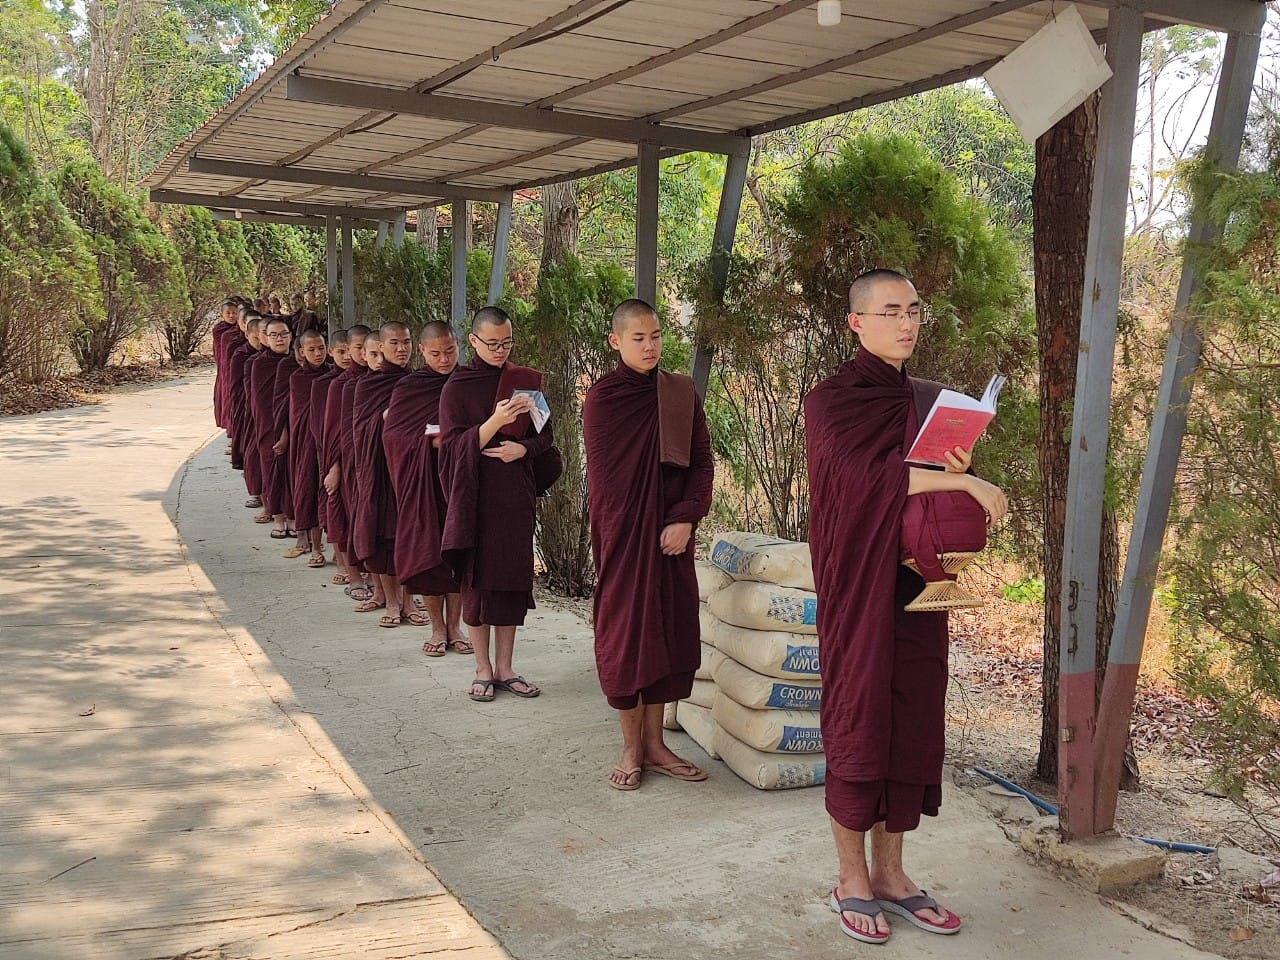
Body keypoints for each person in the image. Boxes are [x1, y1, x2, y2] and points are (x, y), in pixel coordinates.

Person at [803, 269, 1008, 944]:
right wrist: (967, 483)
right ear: (857, 322)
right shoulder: (829, 400)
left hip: (918, 582)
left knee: (912, 717)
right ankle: (850, 876)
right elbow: (860, 478)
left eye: (914, 310)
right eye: (891, 311)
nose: (907, 322)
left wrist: (957, 464)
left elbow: (923, 479)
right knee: (860, 716)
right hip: (858, 584)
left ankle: (892, 874)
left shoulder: (925, 397)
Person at [584, 299, 714, 790]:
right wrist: (639, 530)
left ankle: (657, 744)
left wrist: (684, 519)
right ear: (616, 342)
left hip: (673, 539)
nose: (650, 346)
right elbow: (609, 485)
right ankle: (630, 746)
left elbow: (702, 464)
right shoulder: (604, 399)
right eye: (638, 338)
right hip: (624, 540)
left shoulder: (680, 393)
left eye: (656, 336)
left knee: (669, 636)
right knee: (626, 637)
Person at [439, 306, 555, 702]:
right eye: (492, 343)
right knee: (477, 583)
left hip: (514, 497)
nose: (500, 350)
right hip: (475, 498)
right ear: (473, 341)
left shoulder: (524, 382)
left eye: (507, 342)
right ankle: (482, 668)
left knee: (509, 583)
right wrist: (494, 421)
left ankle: (506, 668)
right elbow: (451, 447)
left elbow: (546, 438)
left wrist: (521, 449)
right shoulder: (458, 386)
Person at [383, 321, 469, 655]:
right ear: (422, 352)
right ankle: (437, 628)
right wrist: (428, 444)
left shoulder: (467, 382)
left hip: (461, 482)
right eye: (435, 353)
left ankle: (456, 627)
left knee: (459, 554)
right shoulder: (411, 386)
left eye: (450, 351)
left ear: (460, 345)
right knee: (430, 556)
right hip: (425, 483)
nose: (444, 359)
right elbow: (393, 436)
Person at [351, 322, 413, 627]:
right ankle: (391, 602)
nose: (401, 349)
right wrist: (386, 416)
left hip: (410, 472)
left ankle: (410, 601)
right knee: (386, 538)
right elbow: (361, 429)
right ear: (381, 347)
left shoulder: (417, 381)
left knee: (411, 538)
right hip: (381, 472)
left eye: (406, 342)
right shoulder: (368, 385)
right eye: (394, 343)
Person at [323, 324, 373, 600]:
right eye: (358, 349)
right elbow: (331, 431)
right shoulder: (340, 385)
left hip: (373, 463)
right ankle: (354, 575)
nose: (365, 355)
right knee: (348, 516)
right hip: (347, 463)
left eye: (370, 349)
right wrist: (335, 467)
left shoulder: (381, 380)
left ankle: (375, 579)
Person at [288, 329, 330, 567]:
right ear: (301, 352)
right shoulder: (298, 378)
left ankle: (337, 546)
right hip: (306, 445)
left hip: (328, 444)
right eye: (311, 349)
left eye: (321, 348)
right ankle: (315, 548)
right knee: (309, 491)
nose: (317, 353)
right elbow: (298, 414)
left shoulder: (333, 376)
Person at [250, 317, 294, 539]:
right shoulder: (259, 363)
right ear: (264, 337)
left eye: (284, 334)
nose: (280, 339)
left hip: (293, 427)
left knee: (293, 472)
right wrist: (276, 431)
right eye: (274, 335)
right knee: (271, 471)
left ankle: (293, 517)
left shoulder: (297, 362)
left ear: (291, 336)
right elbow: (261, 401)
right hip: (269, 427)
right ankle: (277, 517)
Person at [310, 329, 349, 576]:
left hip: (359, 460)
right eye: (341, 352)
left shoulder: (367, 382)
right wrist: (332, 462)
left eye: (351, 351)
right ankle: (342, 563)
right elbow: (320, 426)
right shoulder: (325, 384)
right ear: (332, 353)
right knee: (334, 504)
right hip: (329, 454)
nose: (347, 357)